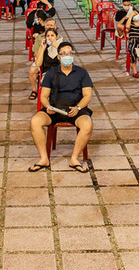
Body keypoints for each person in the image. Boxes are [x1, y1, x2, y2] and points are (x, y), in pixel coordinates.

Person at [29, 42, 93, 173]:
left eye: (69, 54)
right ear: (58, 57)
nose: (67, 56)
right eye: (63, 54)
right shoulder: (51, 73)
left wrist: (78, 108)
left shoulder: (82, 73)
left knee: (87, 125)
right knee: (35, 121)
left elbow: (87, 96)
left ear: (73, 55)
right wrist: (47, 106)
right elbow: (44, 96)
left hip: (76, 109)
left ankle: (74, 159)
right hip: (55, 108)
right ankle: (44, 158)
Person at [30, 27, 61, 99]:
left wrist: (57, 47)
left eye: (52, 35)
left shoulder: (60, 47)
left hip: (60, 72)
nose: (50, 38)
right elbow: (38, 64)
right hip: (48, 72)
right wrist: (42, 49)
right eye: (48, 36)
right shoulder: (43, 47)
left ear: (56, 37)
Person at [126, 9, 139, 78]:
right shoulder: (130, 24)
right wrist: (130, 16)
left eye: (136, 14)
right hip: (132, 41)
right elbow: (127, 27)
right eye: (134, 15)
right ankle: (134, 70)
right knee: (134, 50)